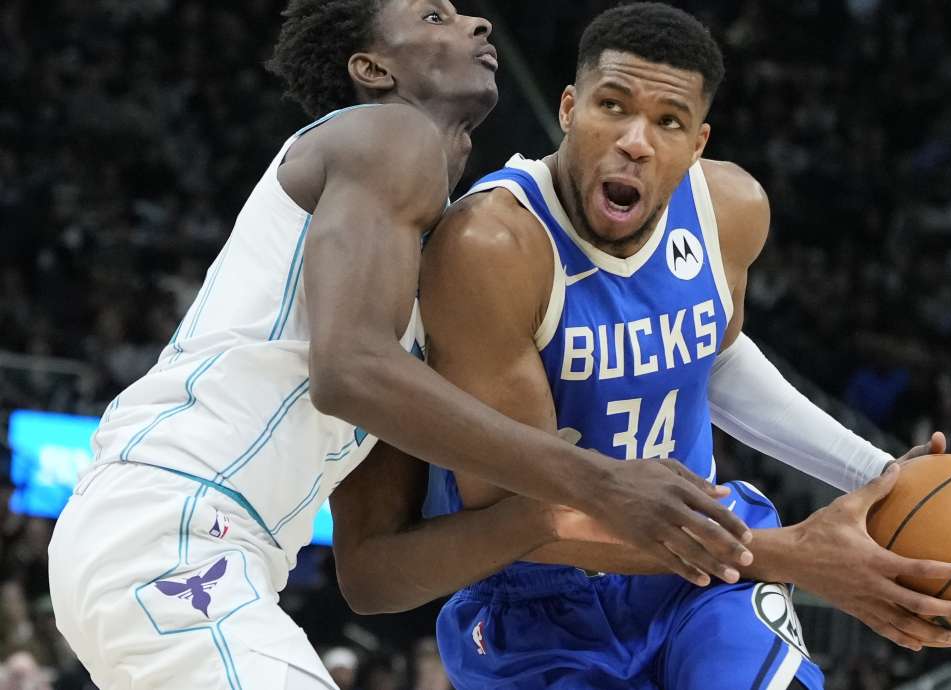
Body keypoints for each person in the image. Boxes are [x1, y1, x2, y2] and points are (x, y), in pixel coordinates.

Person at [331, 4, 951, 688]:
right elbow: (527, 518)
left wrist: (886, 474)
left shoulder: (730, 208)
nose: (636, 141)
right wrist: (792, 556)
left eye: (668, 120)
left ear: (698, 142)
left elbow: (716, 356)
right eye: (613, 106)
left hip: (705, 568)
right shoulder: (490, 247)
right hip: (541, 600)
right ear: (568, 109)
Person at [45, 2, 752, 689]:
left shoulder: (408, 266)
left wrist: (541, 515)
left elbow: (373, 577)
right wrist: (599, 482)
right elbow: (347, 372)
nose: (476, 22)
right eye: (433, 17)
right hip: (172, 527)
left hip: (223, 552)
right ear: (373, 68)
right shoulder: (387, 134)